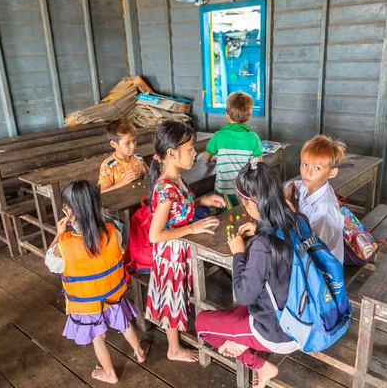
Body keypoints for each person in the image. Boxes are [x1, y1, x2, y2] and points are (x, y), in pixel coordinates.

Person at [195, 160, 300, 388]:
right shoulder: (297, 219)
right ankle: (240, 340)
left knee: (202, 324)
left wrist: (238, 253)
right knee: (245, 306)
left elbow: (244, 295)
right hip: (302, 317)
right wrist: (261, 227)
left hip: (277, 332)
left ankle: (262, 366)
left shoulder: (262, 245)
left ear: (250, 204)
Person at [44, 180, 149, 384]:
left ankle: (110, 373)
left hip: (87, 305)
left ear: (67, 211)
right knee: (124, 324)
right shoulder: (113, 231)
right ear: (100, 208)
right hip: (112, 296)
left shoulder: (64, 245)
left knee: (98, 338)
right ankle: (139, 351)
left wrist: (58, 235)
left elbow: (49, 263)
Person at [146, 121, 225, 362]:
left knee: (178, 293)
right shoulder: (166, 188)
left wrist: (202, 201)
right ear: (171, 154)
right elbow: (155, 235)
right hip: (170, 254)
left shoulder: (177, 180)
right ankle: (173, 349)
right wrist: (193, 227)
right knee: (172, 297)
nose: (194, 153)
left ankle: (176, 341)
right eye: (190, 148)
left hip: (180, 249)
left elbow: (180, 209)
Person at [284, 136, 346, 264]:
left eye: (317, 168)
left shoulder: (325, 211)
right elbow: (295, 184)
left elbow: (307, 248)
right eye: (305, 164)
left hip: (321, 268)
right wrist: (288, 190)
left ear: (332, 173)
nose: (307, 173)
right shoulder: (311, 186)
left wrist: (292, 217)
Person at [204, 91, 263, 210]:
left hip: (223, 190)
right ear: (249, 116)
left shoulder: (218, 136)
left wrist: (217, 157)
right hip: (245, 190)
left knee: (226, 219)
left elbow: (206, 158)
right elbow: (258, 164)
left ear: (227, 114)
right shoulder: (253, 138)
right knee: (243, 216)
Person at [98, 118, 149, 193]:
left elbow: (149, 177)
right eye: (127, 143)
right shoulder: (108, 166)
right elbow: (103, 192)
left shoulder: (139, 159)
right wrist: (123, 182)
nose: (133, 146)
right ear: (113, 144)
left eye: (134, 141)